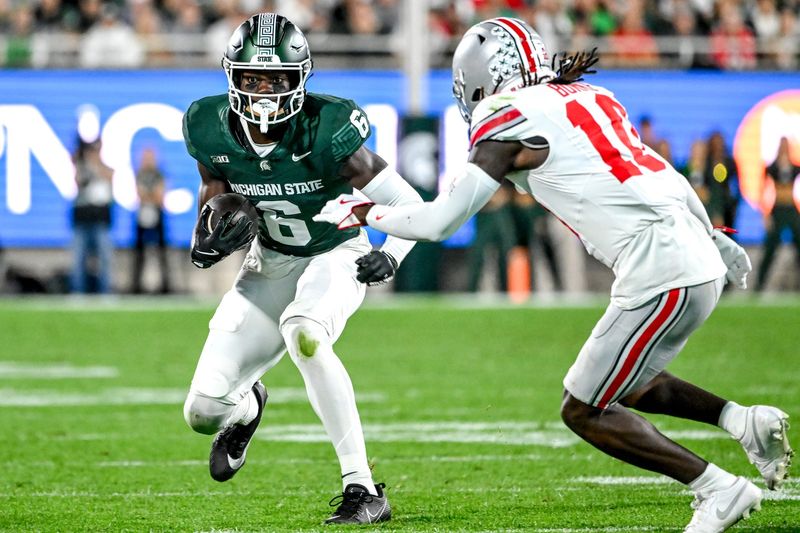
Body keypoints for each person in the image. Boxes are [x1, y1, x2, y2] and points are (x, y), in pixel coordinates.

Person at [315, 18, 793, 532]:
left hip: (662, 271)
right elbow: (661, 172)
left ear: (483, 77)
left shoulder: (507, 116)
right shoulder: (587, 94)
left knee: (584, 408)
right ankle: (743, 421)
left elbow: (439, 221)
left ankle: (716, 489)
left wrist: (365, 212)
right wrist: (715, 234)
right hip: (689, 259)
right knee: (621, 381)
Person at [181, 13, 421, 525]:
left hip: (336, 251)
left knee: (305, 332)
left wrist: (392, 253)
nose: (263, 91)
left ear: (300, 78)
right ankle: (247, 408)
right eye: (252, 78)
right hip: (268, 262)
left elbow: (409, 202)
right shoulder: (208, 125)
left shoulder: (327, 126)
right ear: (232, 77)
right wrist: (206, 236)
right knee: (203, 412)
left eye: (276, 79)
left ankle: (362, 488)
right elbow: (216, 193)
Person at [756, 136, 800, 291]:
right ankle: (759, 285)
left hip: (792, 209)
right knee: (770, 247)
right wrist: (765, 214)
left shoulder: (795, 167)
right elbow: (763, 190)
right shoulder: (772, 168)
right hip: (778, 209)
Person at [71, 138, 114, 294]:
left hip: (100, 218)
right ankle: (78, 291)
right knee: (79, 258)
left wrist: (95, 165)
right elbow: (78, 182)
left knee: (104, 258)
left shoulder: (105, 169)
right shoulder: (82, 168)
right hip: (82, 218)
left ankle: (105, 291)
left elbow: (109, 180)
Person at [131, 147, 170, 294]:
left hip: (157, 214)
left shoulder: (158, 174)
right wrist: (151, 196)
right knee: (139, 254)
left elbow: (159, 197)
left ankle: (166, 286)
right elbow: (140, 194)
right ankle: (136, 286)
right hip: (142, 215)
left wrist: (149, 196)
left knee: (161, 253)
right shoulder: (140, 174)